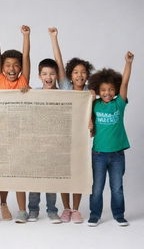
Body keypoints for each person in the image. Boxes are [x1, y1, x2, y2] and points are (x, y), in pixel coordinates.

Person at [49, 27, 94, 223]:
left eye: (83, 72)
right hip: (62, 138)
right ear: (70, 75)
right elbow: (58, 62)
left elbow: (92, 120)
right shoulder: (66, 87)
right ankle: (66, 208)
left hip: (80, 141)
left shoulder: (90, 93)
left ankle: (76, 209)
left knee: (79, 173)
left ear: (87, 76)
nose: (79, 75)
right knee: (63, 175)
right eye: (76, 72)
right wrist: (54, 38)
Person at [0, 18, 31, 223]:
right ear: (3, 68)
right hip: (0, 130)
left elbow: (27, 56)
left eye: (16, 65)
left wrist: (26, 36)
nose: (12, 68)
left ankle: (22, 210)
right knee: (3, 169)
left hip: (20, 131)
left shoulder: (24, 81)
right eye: (8, 65)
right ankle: (3, 204)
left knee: (20, 169)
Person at [87, 51, 134, 227]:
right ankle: (94, 215)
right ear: (99, 90)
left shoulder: (118, 104)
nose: (107, 93)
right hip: (98, 154)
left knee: (117, 188)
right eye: (103, 90)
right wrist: (90, 97)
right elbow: (85, 118)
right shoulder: (95, 104)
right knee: (97, 188)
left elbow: (126, 82)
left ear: (115, 89)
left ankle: (119, 214)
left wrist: (128, 63)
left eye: (111, 89)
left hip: (117, 155)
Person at [27, 58, 62, 224]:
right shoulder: (34, 93)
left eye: (52, 74)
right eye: (45, 74)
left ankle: (52, 210)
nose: (48, 77)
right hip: (36, 144)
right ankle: (33, 209)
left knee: (51, 180)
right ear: (39, 76)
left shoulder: (63, 95)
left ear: (57, 76)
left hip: (54, 145)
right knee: (35, 178)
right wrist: (24, 93)